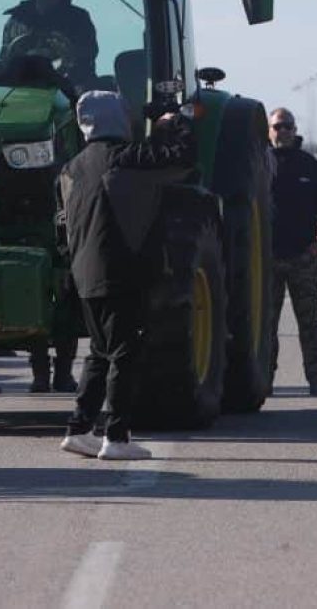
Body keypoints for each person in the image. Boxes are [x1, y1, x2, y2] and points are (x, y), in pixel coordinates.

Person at [57, 91, 192, 460]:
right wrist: (172, 121)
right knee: (125, 352)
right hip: (122, 270)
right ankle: (116, 436)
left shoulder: (71, 167)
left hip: (84, 273)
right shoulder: (124, 158)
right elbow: (182, 160)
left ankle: (79, 428)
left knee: (100, 352)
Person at [268, 107, 317, 396]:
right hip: (268, 259)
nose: (283, 131)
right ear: (268, 131)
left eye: (287, 126)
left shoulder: (310, 166)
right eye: (277, 126)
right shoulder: (260, 165)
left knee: (309, 324)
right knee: (266, 326)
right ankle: (264, 379)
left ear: (295, 130)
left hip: (302, 257)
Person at [0, 0, 99, 87]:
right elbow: (6, 57)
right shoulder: (16, 22)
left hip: (71, 85)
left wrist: (69, 53)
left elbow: (90, 51)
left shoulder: (78, 18)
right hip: (24, 89)